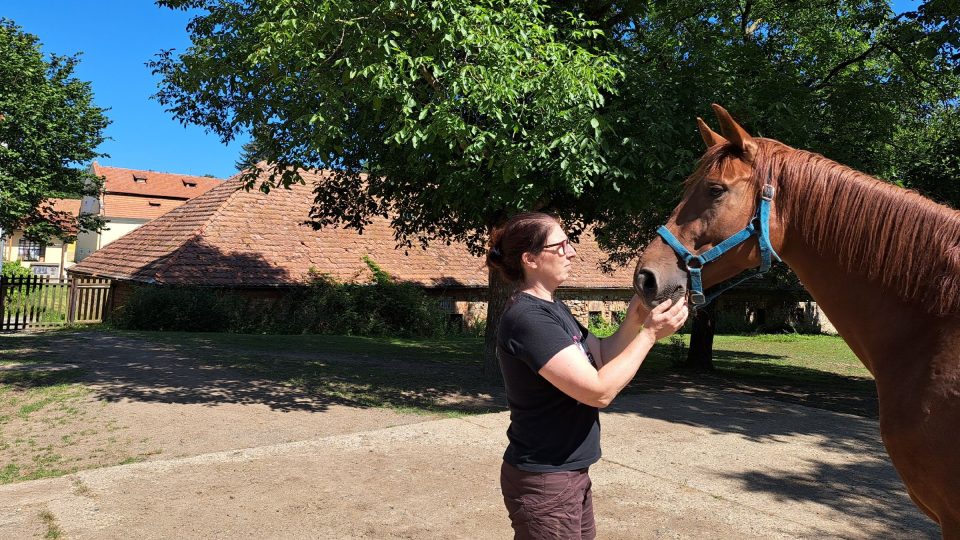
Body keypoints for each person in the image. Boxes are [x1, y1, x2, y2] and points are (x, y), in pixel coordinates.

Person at [486, 211, 689, 539]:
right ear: (530, 259)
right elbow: (598, 391)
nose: (573, 252)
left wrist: (635, 317)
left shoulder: (553, 308)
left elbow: (602, 354)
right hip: (546, 479)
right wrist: (649, 336)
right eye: (561, 246)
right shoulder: (527, 319)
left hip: (567, 473)